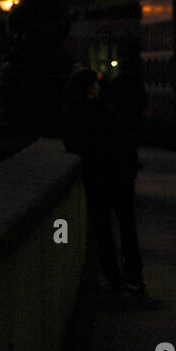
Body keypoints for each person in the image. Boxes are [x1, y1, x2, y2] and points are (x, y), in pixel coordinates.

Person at [61, 66, 144, 293]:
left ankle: (113, 277)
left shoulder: (70, 112)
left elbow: (71, 144)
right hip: (119, 176)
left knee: (103, 228)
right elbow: (124, 141)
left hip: (94, 177)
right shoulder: (106, 111)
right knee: (127, 226)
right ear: (90, 86)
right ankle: (133, 273)